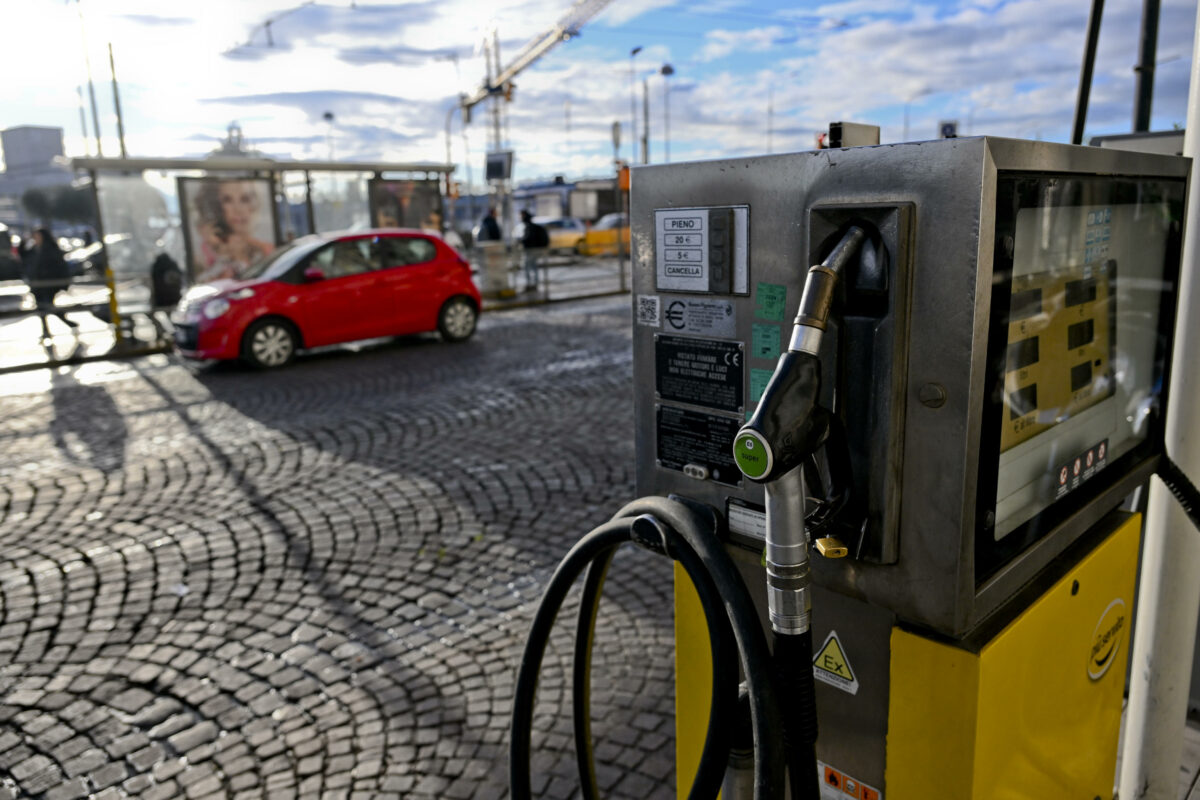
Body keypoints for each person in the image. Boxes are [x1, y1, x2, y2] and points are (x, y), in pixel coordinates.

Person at [191, 179, 275, 282]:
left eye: (245, 199)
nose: (238, 209)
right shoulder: (204, 255)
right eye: (227, 200)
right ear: (216, 207)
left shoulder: (266, 250)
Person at [27, 228, 77, 340]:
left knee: (47, 306)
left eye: (38, 236)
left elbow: (60, 266)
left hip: (48, 284)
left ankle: (65, 322)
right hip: (37, 285)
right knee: (42, 308)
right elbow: (24, 258)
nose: (36, 239)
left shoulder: (50, 249)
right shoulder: (35, 249)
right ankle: (46, 330)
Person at [519, 210, 549, 292]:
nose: (520, 217)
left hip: (530, 250)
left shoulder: (528, 226)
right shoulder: (531, 225)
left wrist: (521, 241)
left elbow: (528, 238)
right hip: (534, 250)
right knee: (533, 267)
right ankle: (534, 284)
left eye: (521, 215)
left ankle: (530, 284)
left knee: (528, 268)